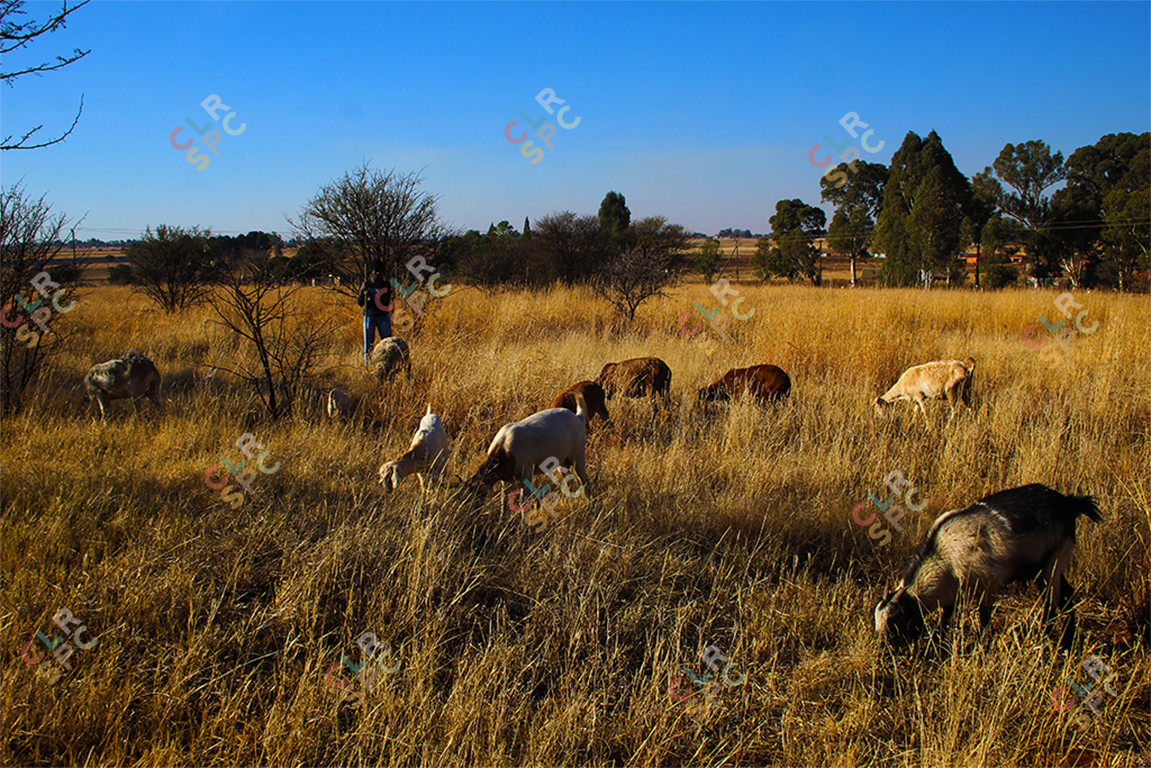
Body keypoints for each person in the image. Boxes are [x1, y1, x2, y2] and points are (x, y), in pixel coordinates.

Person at [357, 262, 394, 366]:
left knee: (387, 343)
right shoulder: (366, 284)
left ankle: (388, 364)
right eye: (375, 271)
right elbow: (360, 303)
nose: (377, 273)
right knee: (368, 344)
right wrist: (362, 293)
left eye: (380, 272)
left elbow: (386, 302)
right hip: (369, 317)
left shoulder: (385, 285)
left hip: (383, 317)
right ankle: (367, 365)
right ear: (371, 272)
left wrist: (374, 297)